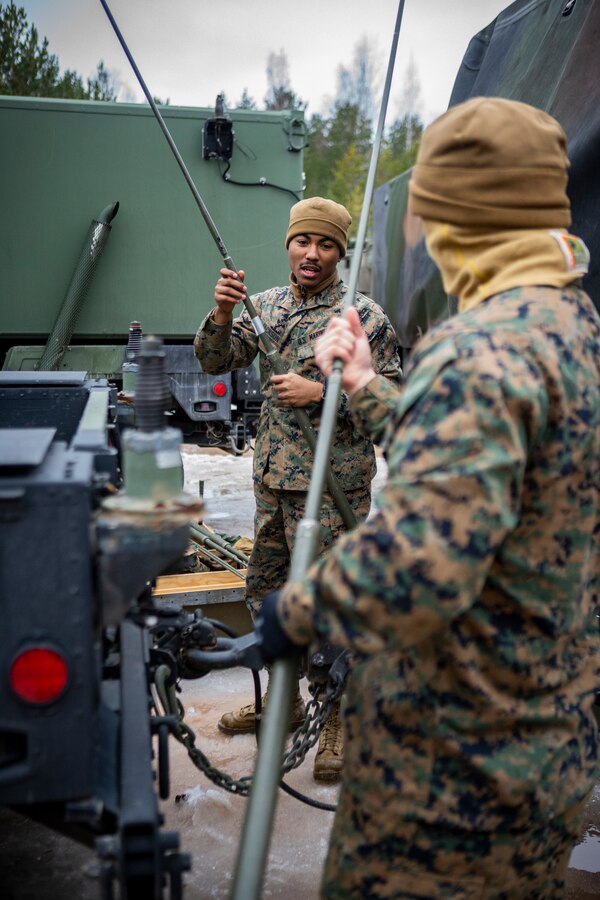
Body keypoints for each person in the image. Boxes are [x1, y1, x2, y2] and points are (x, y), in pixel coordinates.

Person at [254, 97, 600, 897]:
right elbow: (486, 461)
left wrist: (295, 613)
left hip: (450, 779)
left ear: (456, 220)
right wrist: (369, 386)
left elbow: (417, 571)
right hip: (541, 745)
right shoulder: (568, 324)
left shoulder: (479, 349)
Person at [194, 197, 402, 781]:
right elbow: (215, 361)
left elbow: (391, 398)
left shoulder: (362, 315)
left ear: (339, 252)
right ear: (289, 244)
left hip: (332, 489)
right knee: (266, 595)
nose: (312, 254)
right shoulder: (265, 307)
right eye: (303, 241)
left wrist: (322, 395)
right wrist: (221, 313)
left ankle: (334, 715)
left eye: (327, 244)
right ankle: (280, 705)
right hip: (272, 482)